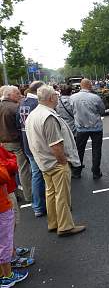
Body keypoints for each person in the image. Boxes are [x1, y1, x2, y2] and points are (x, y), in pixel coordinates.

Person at [25, 85, 86, 236]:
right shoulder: (48, 117)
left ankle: (53, 223)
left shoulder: (33, 114)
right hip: (55, 162)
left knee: (50, 193)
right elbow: (56, 145)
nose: (58, 98)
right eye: (56, 96)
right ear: (51, 98)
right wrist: (64, 162)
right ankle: (65, 226)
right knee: (62, 195)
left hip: (43, 161)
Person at [16, 81, 46, 217]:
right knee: (40, 175)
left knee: (36, 174)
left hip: (26, 143)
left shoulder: (22, 103)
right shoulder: (37, 105)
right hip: (36, 145)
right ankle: (40, 206)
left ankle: (38, 205)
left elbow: (18, 125)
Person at [0, 149, 29, 288]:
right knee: (5, 240)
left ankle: (3, 273)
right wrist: (7, 165)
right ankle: (7, 276)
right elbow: (4, 174)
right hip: (2, 204)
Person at [0, 86, 32, 203]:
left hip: (3, 143)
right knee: (23, 169)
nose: (20, 95)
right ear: (10, 95)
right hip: (15, 142)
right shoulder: (15, 108)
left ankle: (15, 193)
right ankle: (29, 195)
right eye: (17, 94)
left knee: (9, 170)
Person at [71, 79, 105, 180]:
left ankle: (77, 172)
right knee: (96, 150)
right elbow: (102, 111)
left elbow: (71, 111)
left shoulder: (73, 98)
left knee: (79, 150)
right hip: (96, 127)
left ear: (81, 86)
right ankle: (96, 172)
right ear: (89, 85)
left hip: (81, 128)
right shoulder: (95, 97)